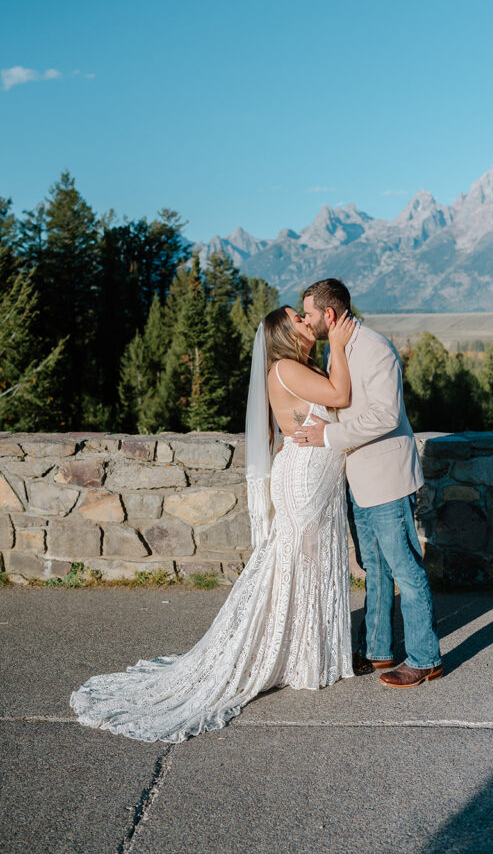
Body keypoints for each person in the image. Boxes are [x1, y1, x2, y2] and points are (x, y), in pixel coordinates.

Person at [69, 306, 355, 742]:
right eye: (298, 317)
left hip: (317, 478)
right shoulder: (286, 368)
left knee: (308, 564)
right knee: (295, 562)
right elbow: (340, 396)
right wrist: (338, 343)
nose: (305, 320)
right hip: (303, 479)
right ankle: (291, 654)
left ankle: (305, 653)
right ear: (283, 334)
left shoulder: (298, 367)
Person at [297, 278, 442, 688]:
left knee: (405, 570)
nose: (306, 320)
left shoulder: (375, 348)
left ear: (328, 313)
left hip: (385, 478)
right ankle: (378, 650)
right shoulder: (339, 347)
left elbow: (384, 416)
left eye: (308, 313)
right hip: (357, 479)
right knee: (374, 568)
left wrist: (327, 437)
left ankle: (425, 658)